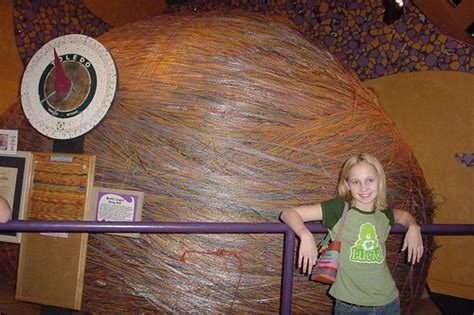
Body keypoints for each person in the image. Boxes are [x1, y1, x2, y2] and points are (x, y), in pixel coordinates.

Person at [280, 153, 423, 314]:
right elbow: (288, 213)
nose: (364, 188)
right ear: (347, 184)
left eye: (370, 180)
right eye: (356, 182)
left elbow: (403, 216)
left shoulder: (384, 213)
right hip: (352, 306)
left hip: (389, 302)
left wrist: (413, 227)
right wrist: (304, 235)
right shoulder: (339, 209)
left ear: (380, 180)